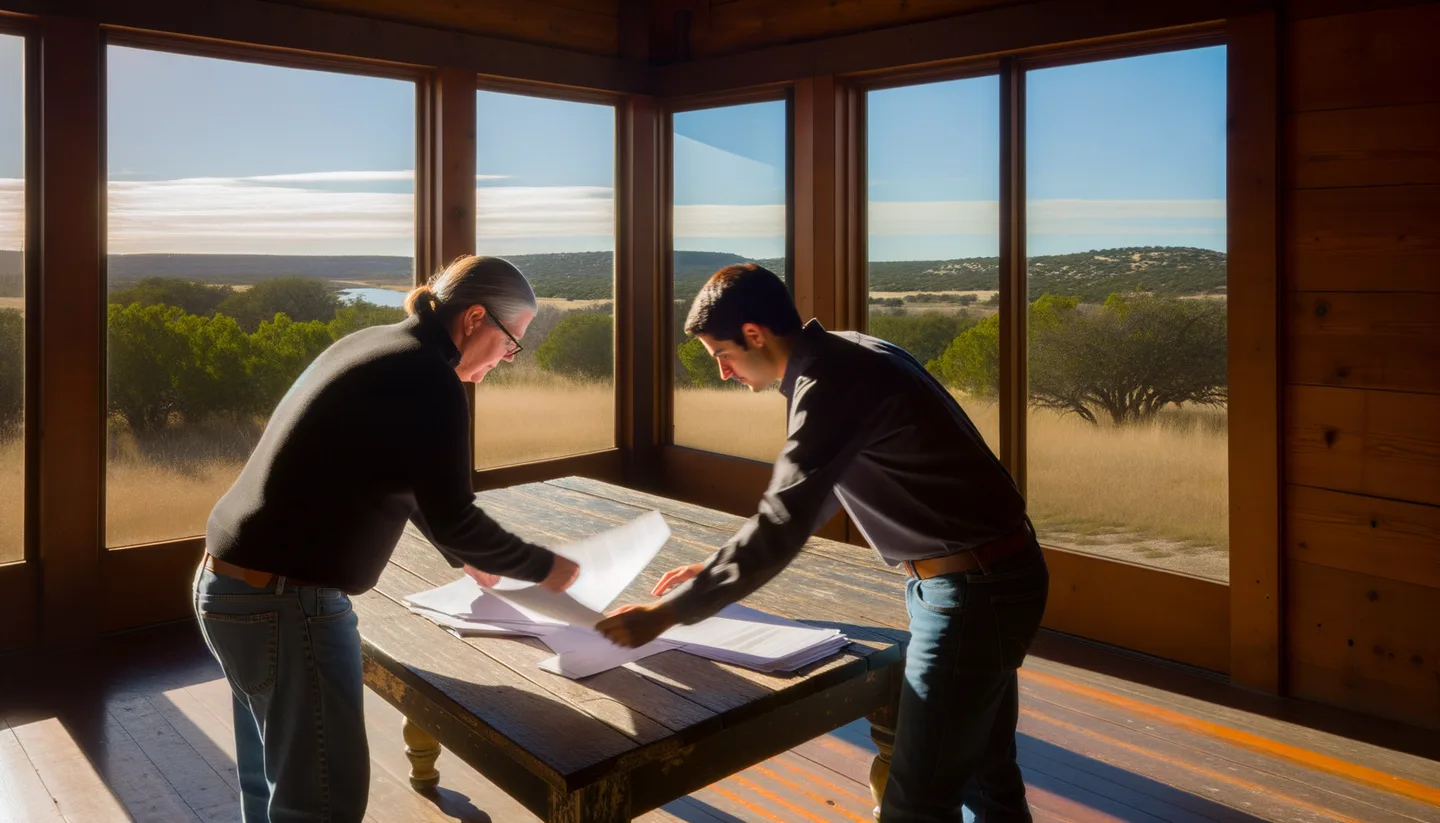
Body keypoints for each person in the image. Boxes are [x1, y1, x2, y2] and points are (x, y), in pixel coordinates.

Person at [597, 263, 1049, 823]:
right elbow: (821, 491)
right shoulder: (843, 354)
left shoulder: (828, 380)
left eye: (723, 354)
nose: (722, 371)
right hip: (986, 579)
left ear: (755, 334)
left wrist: (666, 613)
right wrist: (713, 571)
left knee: (917, 802)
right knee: (988, 779)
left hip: (975, 591)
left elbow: (784, 518)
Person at [194, 255, 580, 823]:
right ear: (475, 318)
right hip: (285, 604)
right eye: (510, 342)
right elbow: (453, 515)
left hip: (228, 589)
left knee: (273, 786)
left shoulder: (378, 345)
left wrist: (466, 559)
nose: (507, 358)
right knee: (322, 802)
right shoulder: (428, 378)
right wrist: (545, 566)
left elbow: (401, 477)